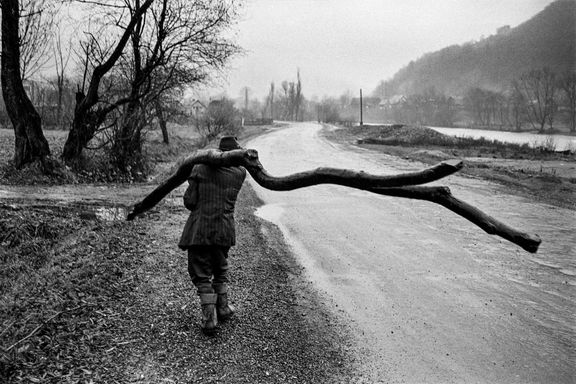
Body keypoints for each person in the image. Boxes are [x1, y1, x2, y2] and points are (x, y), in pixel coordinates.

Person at [178, 136, 246, 334]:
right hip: (224, 230)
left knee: (201, 273)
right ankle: (223, 308)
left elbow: (190, 202)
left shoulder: (199, 168)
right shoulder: (240, 173)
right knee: (220, 268)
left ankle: (209, 319)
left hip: (200, 231)